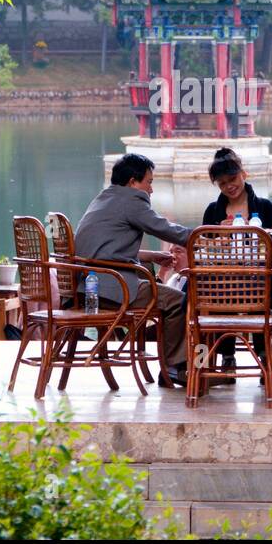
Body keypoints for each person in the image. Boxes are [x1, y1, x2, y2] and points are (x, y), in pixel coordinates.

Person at [73, 153, 193, 388]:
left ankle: (174, 364)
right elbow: (165, 229)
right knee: (178, 300)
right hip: (112, 288)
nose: (151, 189)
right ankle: (176, 367)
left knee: (161, 288)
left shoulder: (103, 198)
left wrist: (150, 256)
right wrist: (204, 236)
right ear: (132, 182)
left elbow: (103, 249)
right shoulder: (131, 200)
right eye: (148, 182)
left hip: (90, 286)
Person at [200, 147, 272, 380]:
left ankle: (264, 355)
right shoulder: (212, 212)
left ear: (244, 175)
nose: (229, 186)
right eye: (222, 183)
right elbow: (200, 247)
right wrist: (218, 236)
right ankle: (219, 358)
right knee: (211, 292)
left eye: (233, 179)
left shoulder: (266, 207)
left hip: (259, 278)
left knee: (261, 290)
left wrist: (263, 233)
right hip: (223, 280)